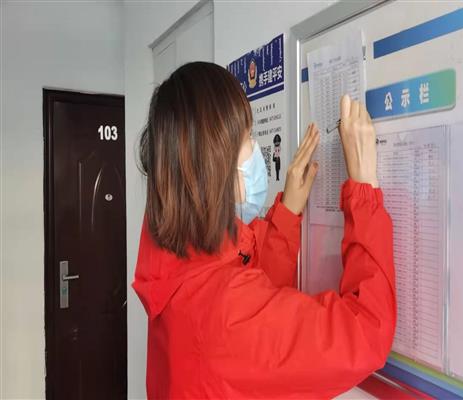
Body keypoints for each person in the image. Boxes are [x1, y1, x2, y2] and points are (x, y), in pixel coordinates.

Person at [133, 62, 395, 399]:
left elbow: (249, 289)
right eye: (246, 138)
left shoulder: (179, 263)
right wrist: (363, 190)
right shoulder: (222, 319)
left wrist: (286, 217)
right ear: (214, 165)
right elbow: (365, 332)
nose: (256, 149)